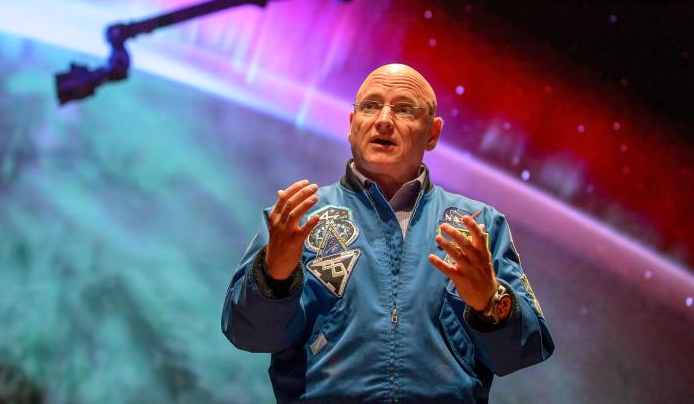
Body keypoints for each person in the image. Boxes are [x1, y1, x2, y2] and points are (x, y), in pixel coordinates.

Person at [222, 63, 554, 403]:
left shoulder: (479, 224)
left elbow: (524, 351)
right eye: (370, 106)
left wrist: (490, 301)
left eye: (404, 109)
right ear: (352, 125)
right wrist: (274, 278)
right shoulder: (296, 217)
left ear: (433, 133)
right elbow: (250, 335)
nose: (383, 120)